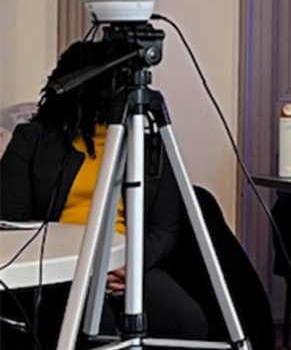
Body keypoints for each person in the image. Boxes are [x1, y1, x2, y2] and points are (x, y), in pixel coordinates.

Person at [0, 40, 207, 349]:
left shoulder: (147, 144)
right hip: (62, 268)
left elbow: (165, 229)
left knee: (185, 319)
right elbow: (11, 221)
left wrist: (130, 266)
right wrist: (84, 267)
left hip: (128, 263)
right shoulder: (33, 139)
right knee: (93, 329)